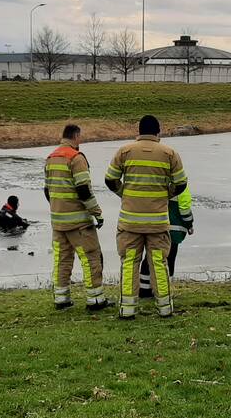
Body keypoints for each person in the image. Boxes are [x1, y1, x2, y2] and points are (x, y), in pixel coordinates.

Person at [106, 115, 187, 319]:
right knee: (159, 264)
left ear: (139, 131)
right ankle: (165, 308)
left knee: (129, 263)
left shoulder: (124, 152)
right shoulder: (170, 153)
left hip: (130, 221)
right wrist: (165, 194)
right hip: (158, 222)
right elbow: (181, 183)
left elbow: (110, 179)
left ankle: (127, 309)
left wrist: (123, 192)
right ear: (158, 131)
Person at [44, 124, 111, 311]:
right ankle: (95, 300)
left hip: (58, 222)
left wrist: (58, 208)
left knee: (62, 260)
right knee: (91, 257)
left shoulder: (51, 158)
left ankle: (61, 299)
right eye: (80, 137)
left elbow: (47, 190)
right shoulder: (76, 158)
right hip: (78, 222)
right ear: (76, 136)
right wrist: (97, 213)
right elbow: (84, 190)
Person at [139, 186, 193, 298]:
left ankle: (144, 290)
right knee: (169, 259)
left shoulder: (157, 181)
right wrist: (189, 224)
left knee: (149, 258)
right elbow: (185, 208)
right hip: (174, 231)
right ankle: (165, 292)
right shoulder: (181, 185)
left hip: (154, 227)